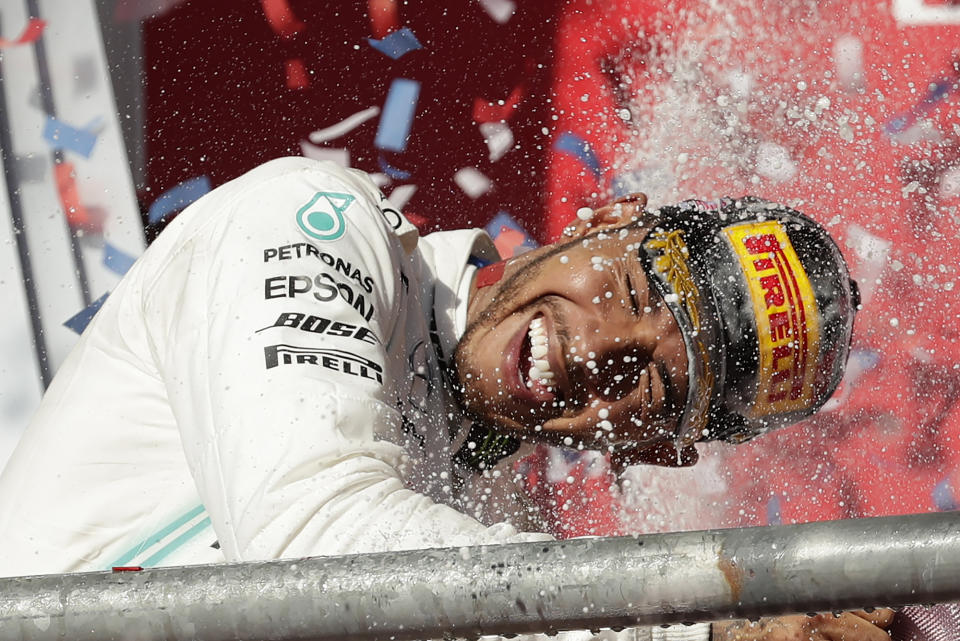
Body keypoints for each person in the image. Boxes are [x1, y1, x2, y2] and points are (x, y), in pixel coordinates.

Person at [0, 158, 875, 640]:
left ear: (653, 448)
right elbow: (318, 554)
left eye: (657, 381)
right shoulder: (311, 220)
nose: (599, 348)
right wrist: (699, 630)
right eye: (639, 292)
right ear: (607, 213)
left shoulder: (488, 515)